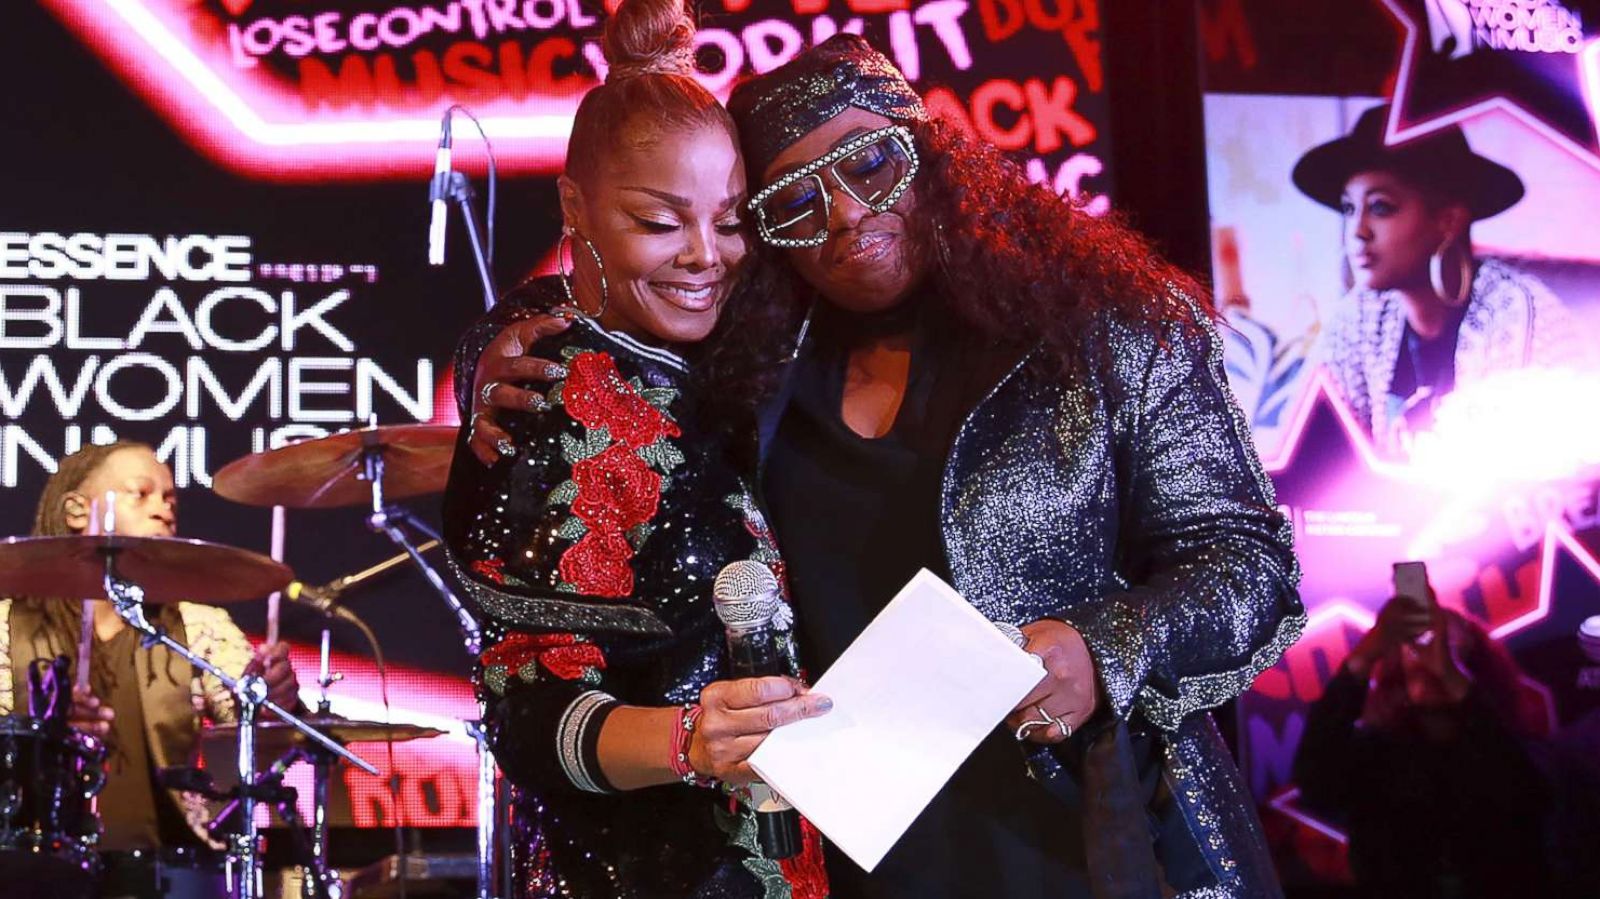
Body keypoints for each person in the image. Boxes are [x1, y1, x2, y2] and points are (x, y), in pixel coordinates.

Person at [465, 32, 1304, 899]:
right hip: (844, 861)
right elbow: (628, 308)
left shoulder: (1105, 327)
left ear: (933, 154)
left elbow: (1250, 562)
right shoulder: (749, 366)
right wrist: (498, 344)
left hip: (1095, 838)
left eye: (869, 168)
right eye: (792, 203)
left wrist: (1103, 648)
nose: (843, 215)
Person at [442, 2, 832, 897]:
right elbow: (525, 705)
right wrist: (687, 739)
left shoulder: (720, 359)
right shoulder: (544, 393)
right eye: (660, 223)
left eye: (730, 221)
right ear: (574, 205)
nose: (706, 257)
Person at [0, 440, 300, 894]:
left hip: (170, 872)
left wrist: (270, 698)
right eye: (141, 493)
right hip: (28, 873)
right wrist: (48, 735)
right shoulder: (6, 622)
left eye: (170, 499)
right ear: (77, 510)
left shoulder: (196, 622)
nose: (163, 509)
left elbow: (253, 731)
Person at [1293, 104, 1592, 457]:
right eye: (1349, 209)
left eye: (1380, 207)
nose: (1357, 232)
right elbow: (1319, 454)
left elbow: (1518, 479)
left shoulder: (1517, 313)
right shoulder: (1358, 319)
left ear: (1448, 221)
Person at [1294, 592, 1552, 898]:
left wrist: (1448, 671)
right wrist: (1367, 653)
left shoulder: (1512, 746)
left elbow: (1524, 789)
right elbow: (1315, 780)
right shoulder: (1376, 755)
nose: (1429, 657)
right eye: (1418, 647)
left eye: (1448, 645)